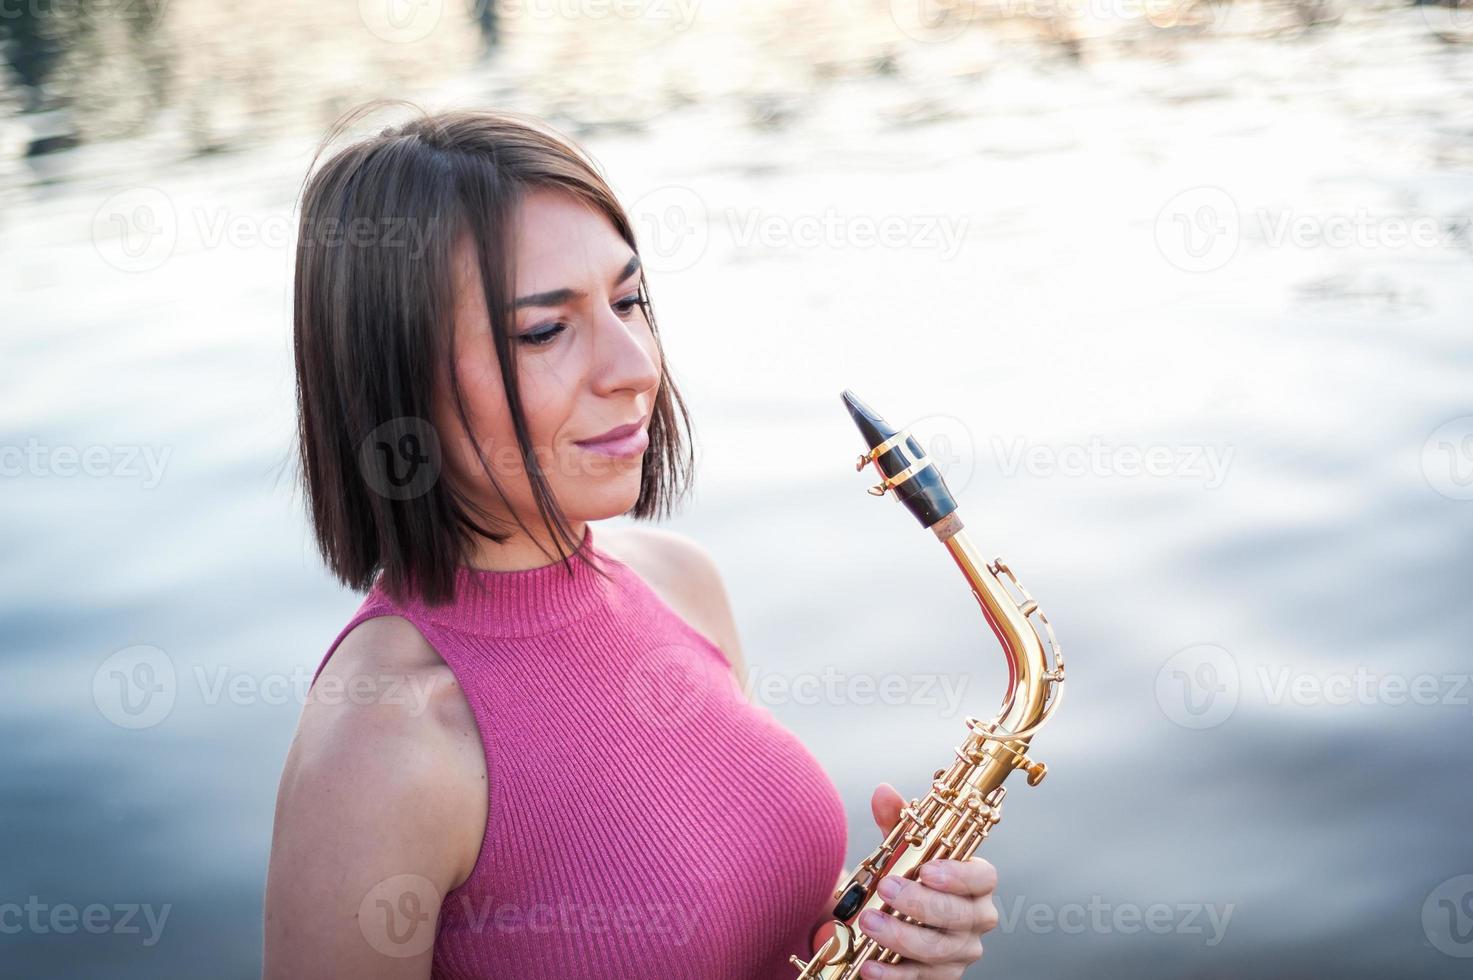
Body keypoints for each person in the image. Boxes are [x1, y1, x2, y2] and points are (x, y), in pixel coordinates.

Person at [263, 103, 999, 980]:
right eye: (545, 329)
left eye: (628, 300)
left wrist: (893, 936)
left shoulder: (681, 580)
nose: (636, 367)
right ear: (393, 375)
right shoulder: (382, 741)